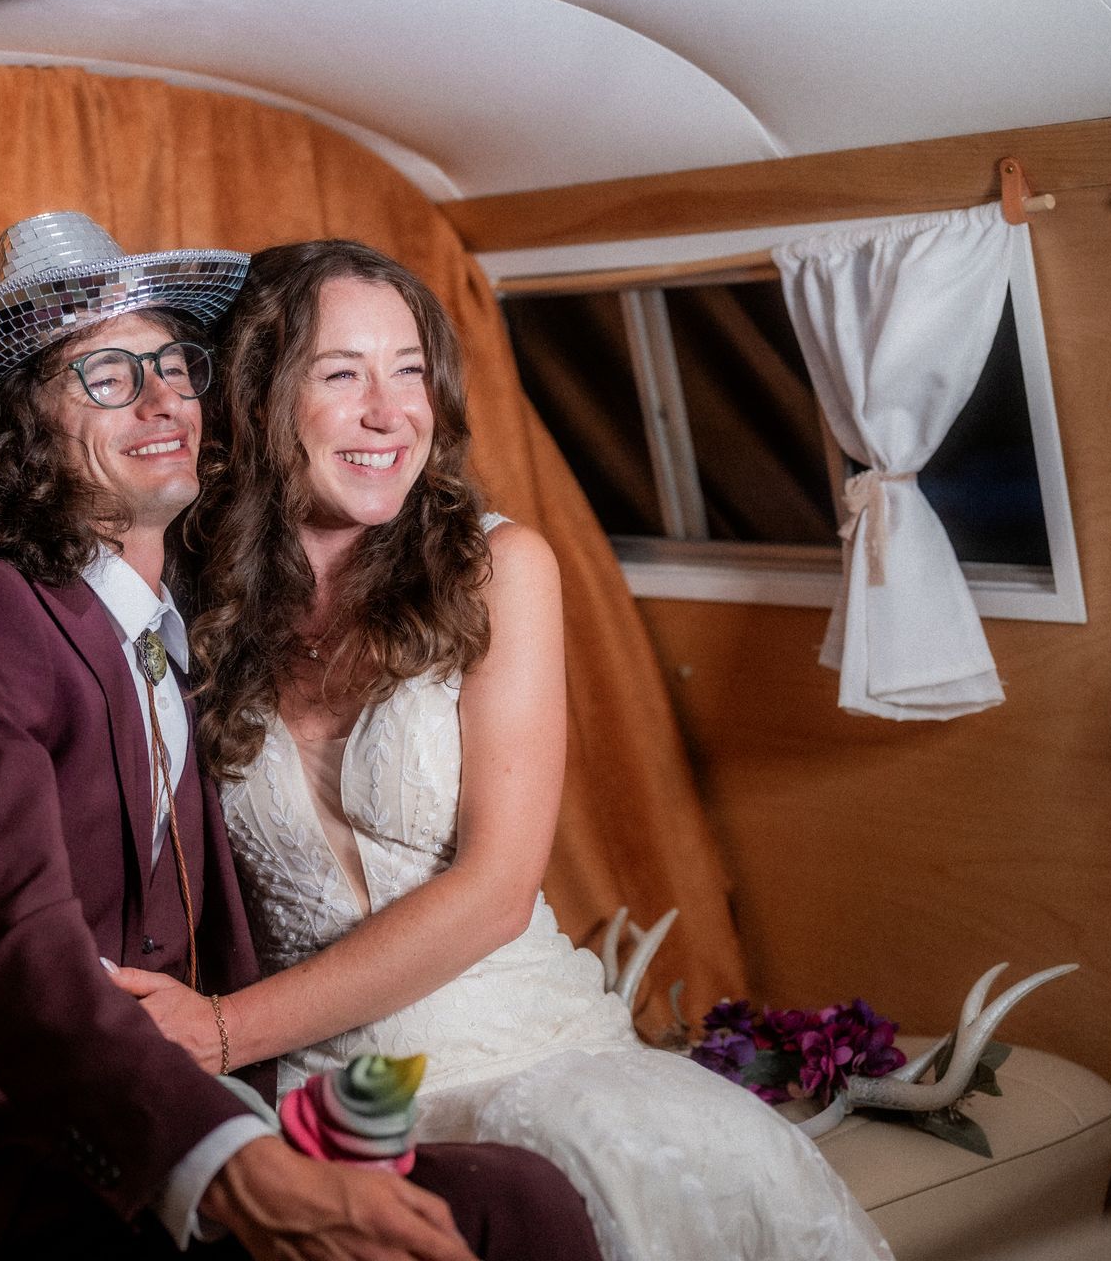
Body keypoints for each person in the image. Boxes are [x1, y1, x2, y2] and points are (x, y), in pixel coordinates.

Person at [0, 212, 602, 1261]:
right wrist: (235, 1166)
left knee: (516, 1200)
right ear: (20, 425)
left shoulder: (189, 627)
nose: (166, 397)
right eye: (108, 376)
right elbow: (11, 954)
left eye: (174, 363)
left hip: (145, 1137)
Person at [109, 238, 897, 1261]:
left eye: (409, 372)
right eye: (343, 374)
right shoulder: (187, 609)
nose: (391, 412)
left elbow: (495, 891)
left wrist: (220, 1031)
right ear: (257, 401)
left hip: (528, 1046)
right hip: (322, 1090)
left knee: (620, 1166)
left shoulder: (499, 569)